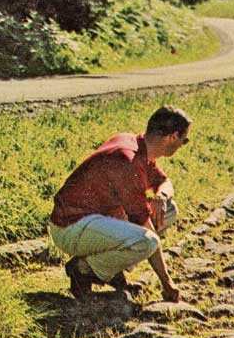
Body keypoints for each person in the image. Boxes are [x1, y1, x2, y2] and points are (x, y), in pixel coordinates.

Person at [49, 105, 191, 303]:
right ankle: (83, 270)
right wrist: (167, 283)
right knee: (147, 241)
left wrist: (161, 197)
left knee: (168, 210)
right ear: (173, 137)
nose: (183, 144)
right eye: (185, 140)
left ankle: (108, 270)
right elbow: (146, 229)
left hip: (95, 221)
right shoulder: (128, 159)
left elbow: (164, 182)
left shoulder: (140, 148)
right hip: (71, 227)